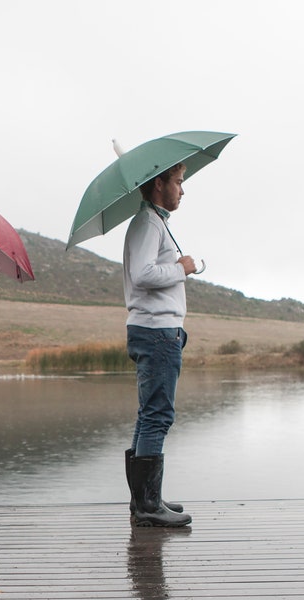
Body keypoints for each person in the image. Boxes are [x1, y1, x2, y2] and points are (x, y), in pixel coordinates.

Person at [123, 162, 194, 527]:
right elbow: (144, 274)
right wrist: (183, 268)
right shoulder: (149, 222)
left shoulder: (153, 222)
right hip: (156, 332)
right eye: (179, 182)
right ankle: (148, 505)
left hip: (154, 330)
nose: (183, 190)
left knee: (148, 414)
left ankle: (144, 501)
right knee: (158, 415)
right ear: (158, 184)